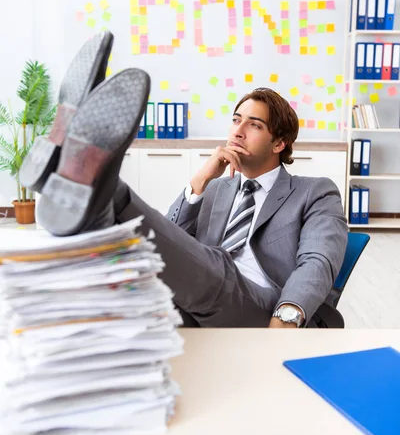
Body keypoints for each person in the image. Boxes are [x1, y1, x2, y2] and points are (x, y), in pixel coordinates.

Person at [21, 34, 348, 329]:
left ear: (279, 144)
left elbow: (318, 261)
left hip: (265, 309)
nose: (237, 131)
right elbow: (170, 241)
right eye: (236, 121)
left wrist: (287, 317)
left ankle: (101, 186)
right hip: (197, 299)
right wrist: (198, 184)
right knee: (119, 286)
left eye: (254, 125)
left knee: (219, 264)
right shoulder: (218, 188)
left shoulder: (315, 192)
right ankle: (96, 202)